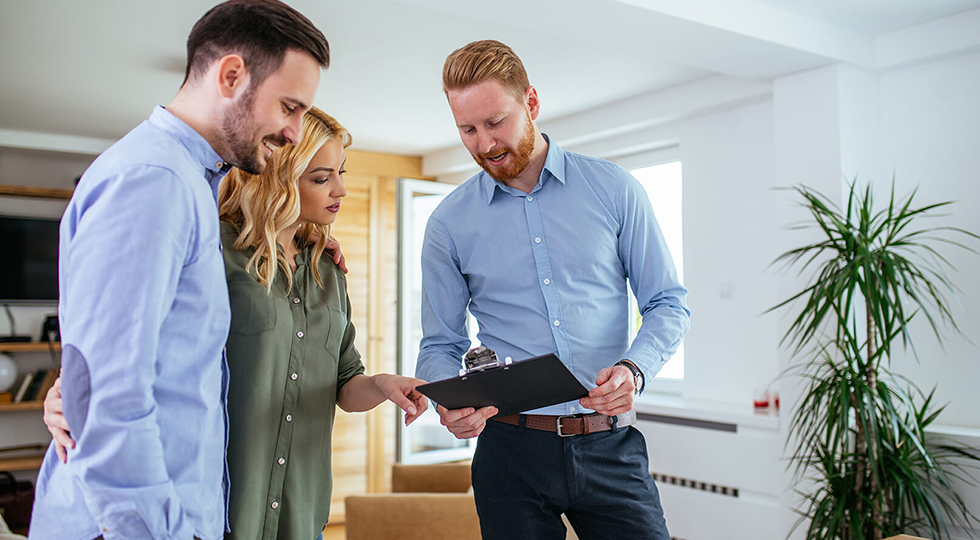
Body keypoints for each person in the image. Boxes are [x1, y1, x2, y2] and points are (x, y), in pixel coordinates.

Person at [42, 107, 429, 540]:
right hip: (218, 507)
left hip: (301, 511)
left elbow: (343, 381)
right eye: (321, 178)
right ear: (278, 180)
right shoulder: (213, 249)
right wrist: (70, 394)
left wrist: (380, 386)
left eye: (340, 171)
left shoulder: (328, 271)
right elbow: (138, 345)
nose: (340, 188)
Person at [29, 2, 330, 539]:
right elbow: (107, 393)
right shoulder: (154, 181)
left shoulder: (192, 183)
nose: (293, 132)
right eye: (289, 106)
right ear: (231, 75)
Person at [415, 40, 690, 540]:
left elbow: (667, 303)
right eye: (467, 129)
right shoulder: (448, 223)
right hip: (509, 453)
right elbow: (440, 344)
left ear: (532, 103)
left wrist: (635, 368)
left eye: (495, 122)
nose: (484, 143)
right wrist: (447, 401)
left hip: (609, 446)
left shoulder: (614, 190)